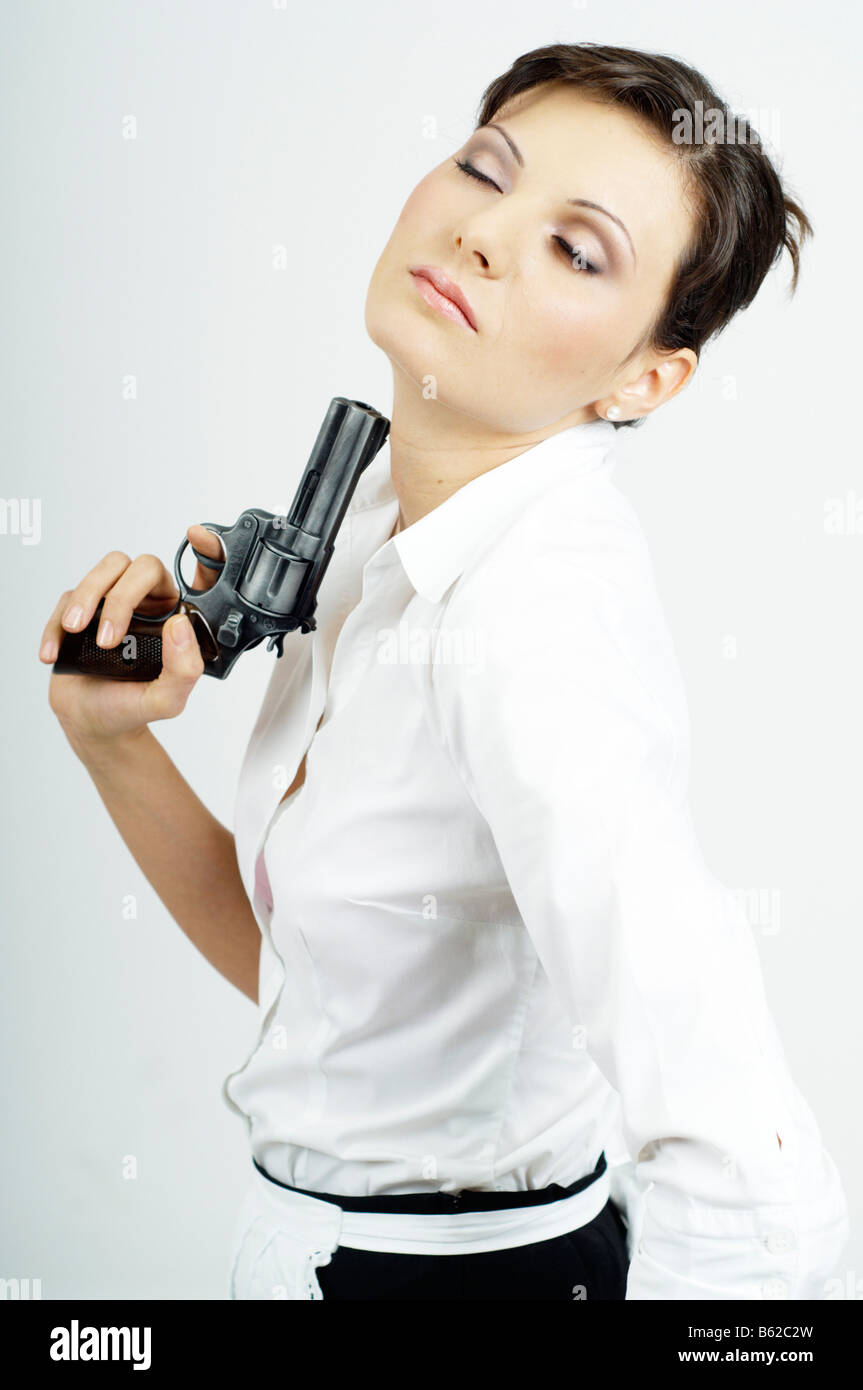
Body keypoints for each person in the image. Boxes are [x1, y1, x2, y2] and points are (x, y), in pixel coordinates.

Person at [41, 42, 850, 1301]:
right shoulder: (381, 515)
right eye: (485, 170)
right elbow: (318, 984)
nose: (484, 235)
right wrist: (111, 738)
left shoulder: (534, 618)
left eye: (577, 250)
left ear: (646, 376)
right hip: (326, 1256)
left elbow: (749, 1171)